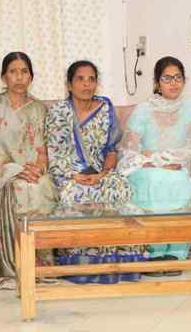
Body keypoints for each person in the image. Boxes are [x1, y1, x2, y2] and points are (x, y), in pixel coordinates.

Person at [45, 60, 135, 283]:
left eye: (91, 79)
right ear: (69, 85)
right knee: (76, 193)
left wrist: (103, 174)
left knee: (119, 187)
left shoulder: (105, 108)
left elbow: (112, 149)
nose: (86, 84)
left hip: (99, 172)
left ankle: (117, 264)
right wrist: (75, 175)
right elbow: (54, 153)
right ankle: (82, 265)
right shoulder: (58, 112)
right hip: (68, 173)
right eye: (80, 79)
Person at [0, 52, 58, 288]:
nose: (19, 77)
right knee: (21, 187)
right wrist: (15, 170)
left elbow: (44, 149)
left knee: (42, 186)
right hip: (2, 171)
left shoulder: (39, 109)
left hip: (32, 170)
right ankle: (14, 265)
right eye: (13, 72)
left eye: (24, 72)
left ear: (31, 77)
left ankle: (39, 266)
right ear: (4, 77)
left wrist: (39, 168)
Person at [119, 56, 191, 269]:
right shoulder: (143, 109)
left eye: (178, 77)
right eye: (167, 78)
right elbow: (129, 148)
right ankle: (154, 252)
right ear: (157, 83)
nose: (173, 83)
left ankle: (175, 254)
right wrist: (153, 161)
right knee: (153, 179)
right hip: (145, 166)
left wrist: (169, 158)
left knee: (180, 182)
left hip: (176, 165)